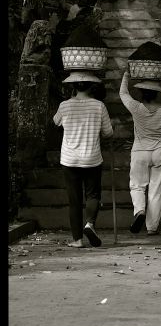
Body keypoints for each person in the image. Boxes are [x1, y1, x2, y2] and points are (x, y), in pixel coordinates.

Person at [53, 71, 113, 248]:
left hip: (69, 159)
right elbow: (108, 133)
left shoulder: (64, 106)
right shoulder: (99, 106)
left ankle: (77, 240)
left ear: (73, 86)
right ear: (92, 86)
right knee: (93, 194)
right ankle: (90, 224)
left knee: (74, 200)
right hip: (92, 158)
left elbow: (56, 122)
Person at [119, 70, 161, 236]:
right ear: (157, 94)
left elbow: (123, 93)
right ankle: (152, 228)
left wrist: (126, 75)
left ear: (141, 93)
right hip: (160, 151)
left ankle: (139, 210)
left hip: (140, 151)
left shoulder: (136, 107)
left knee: (137, 186)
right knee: (156, 190)